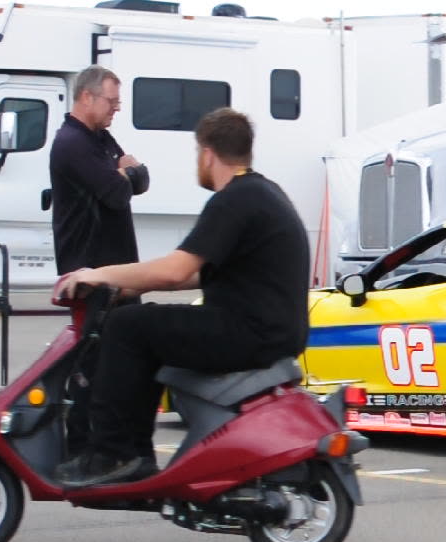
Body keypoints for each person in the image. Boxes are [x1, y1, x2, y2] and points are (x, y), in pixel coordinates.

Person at [53, 108, 310, 489]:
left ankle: (114, 453)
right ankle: (132, 453)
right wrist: (131, 287)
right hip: (271, 329)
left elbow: (175, 267)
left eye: (197, 155)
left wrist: (98, 273)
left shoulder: (234, 200)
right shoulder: (263, 192)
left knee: (128, 327)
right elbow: (195, 273)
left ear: (207, 153)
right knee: (148, 324)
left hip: (247, 331)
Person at [49, 65, 150, 456]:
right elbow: (116, 192)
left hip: (118, 272)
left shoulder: (100, 139)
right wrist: (125, 173)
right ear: (87, 97)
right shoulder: (72, 143)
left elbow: (138, 179)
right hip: (90, 273)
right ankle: (80, 450)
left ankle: (113, 444)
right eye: (112, 101)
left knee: (120, 359)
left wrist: (129, 172)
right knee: (92, 363)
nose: (116, 110)